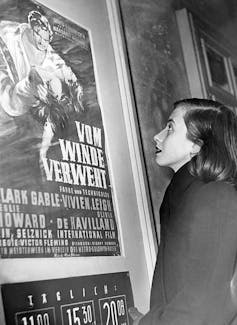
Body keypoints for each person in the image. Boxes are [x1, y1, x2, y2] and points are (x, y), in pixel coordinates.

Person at [129, 98, 237, 324]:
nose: (157, 137)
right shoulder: (187, 195)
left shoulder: (215, 197)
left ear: (196, 145)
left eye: (170, 128)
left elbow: (202, 308)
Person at [0, 10, 83, 173]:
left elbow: (47, 132)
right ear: (33, 30)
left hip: (15, 100)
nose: (44, 43)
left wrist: (43, 154)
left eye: (47, 40)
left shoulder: (50, 62)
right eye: (41, 37)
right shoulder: (10, 33)